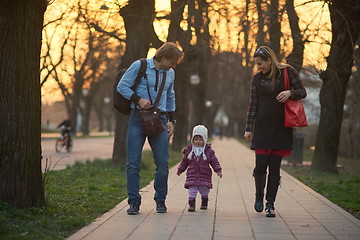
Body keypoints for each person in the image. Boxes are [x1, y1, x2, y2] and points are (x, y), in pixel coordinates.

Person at [118, 42, 184, 215]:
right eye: (172, 62)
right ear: (162, 58)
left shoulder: (170, 73)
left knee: (162, 163)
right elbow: (122, 86)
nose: (174, 66)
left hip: (160, 119)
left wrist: (171, 120)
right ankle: (133, 202)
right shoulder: (139, 66)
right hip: (137, 118)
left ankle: (160, 200)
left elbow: (170, 95)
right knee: (133, 163)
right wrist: (138, 99)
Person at [244, 46, 307, 217]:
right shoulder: (257, 79)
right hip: (262, 129)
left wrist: (289, 92)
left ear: (270, 60)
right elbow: (253, 105)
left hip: (282, 129)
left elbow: (303, 92)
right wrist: (248, 128)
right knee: (260, 166)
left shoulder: (288, 72)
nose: (259, 67)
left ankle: (270, 204)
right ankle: (259, 196)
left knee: (275, 169)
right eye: (257, 64)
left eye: (260, 63)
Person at [177, 125, 222, 212]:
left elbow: (214, 161)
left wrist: (218, 170)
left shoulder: (208, 151)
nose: (198, 142)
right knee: (192, 191)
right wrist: (180, 170)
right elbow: (184, 161)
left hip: (204, 175)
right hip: (192, 175)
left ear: (205, 139)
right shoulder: (189, 151)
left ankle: (204, 202)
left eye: (201, 139)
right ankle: (191, 205)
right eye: (196, 139)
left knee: (204, 191)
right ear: (192, 139)